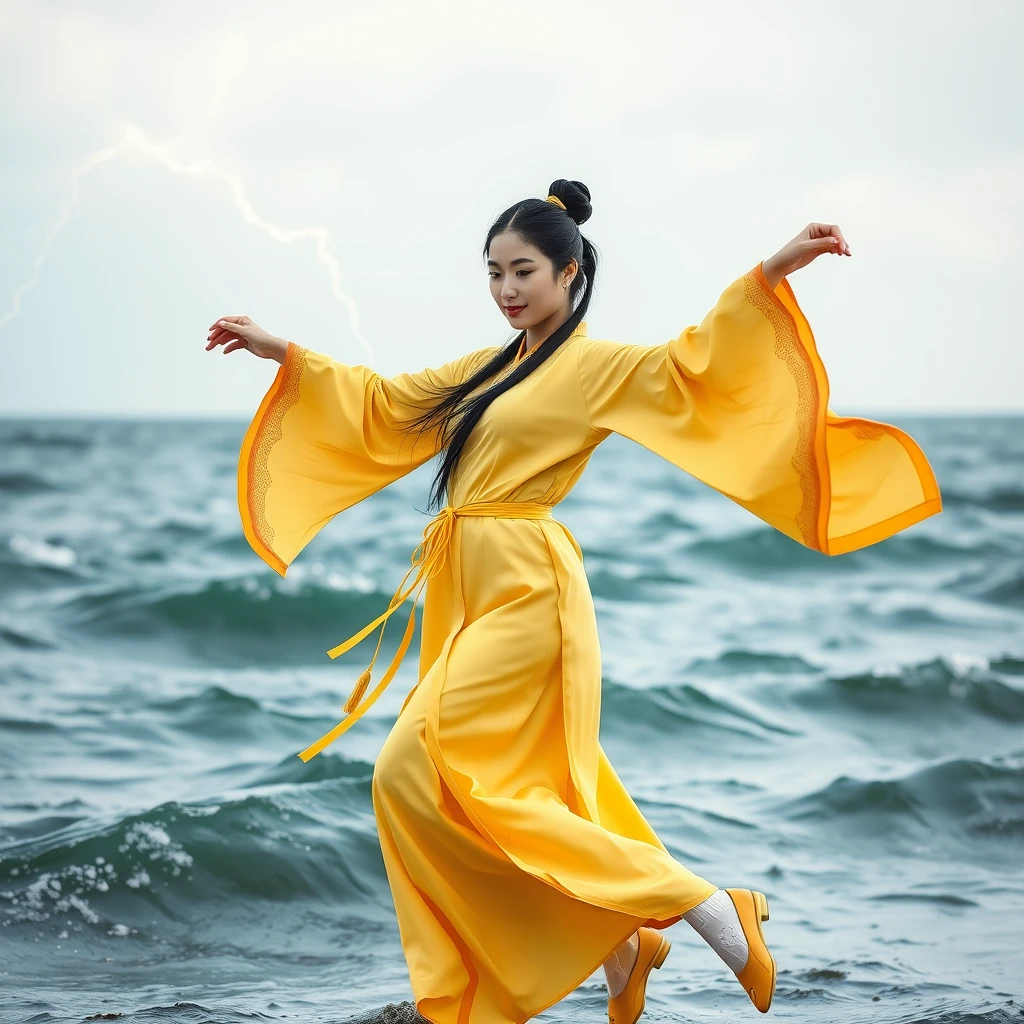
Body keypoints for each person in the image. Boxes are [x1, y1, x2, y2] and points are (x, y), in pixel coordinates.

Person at [206, 179, 942, 1024]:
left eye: (523, 271)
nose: (506, 289)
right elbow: (385, 402)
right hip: (467, 589)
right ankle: (621, 945)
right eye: (492, 273)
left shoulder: (596, 367)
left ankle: (705, 905)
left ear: (569, 271)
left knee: (414, 768)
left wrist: (773, 269)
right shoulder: (489, 370)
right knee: (507, 787)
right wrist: (282, 352)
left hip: (530, 591)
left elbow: (693, 365)